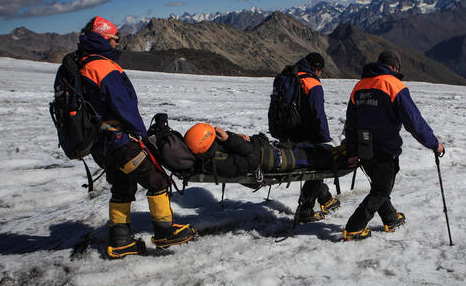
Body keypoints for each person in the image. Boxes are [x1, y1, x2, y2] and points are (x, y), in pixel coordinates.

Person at [76, 16, 195, 258]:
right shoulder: (103, 66)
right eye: (114, 39)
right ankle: (165, 232)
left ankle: (120, 242)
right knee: (157, 180)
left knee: (122, 187)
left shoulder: (81, 63)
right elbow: (124, 107)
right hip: (121, 141)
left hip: (102, 144)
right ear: (103, 38)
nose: (117, 44)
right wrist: (142, 137)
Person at [342, 50, 444, 241]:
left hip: (365, 147)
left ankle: (391, 219)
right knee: (381, 190)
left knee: (380, 185)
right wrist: (434, 144)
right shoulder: (393, 85)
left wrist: (353, 151)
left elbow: (351, 123)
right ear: (394, 66)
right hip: (385, 147)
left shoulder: (359, 86)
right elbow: (414, 121)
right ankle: (354, 227)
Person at [282, 53, 340, 223]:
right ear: (316, 68)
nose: (321, 74)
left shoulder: (289, 77)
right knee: (318, 166)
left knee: (313, 167)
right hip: (305, 135)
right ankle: (305, 210)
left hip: (287, 133)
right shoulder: (312, 83)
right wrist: (325, 139)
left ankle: (325, 198)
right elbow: (318, 114)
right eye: (321, 70)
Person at [183, 123, 343, 177]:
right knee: (314, 157)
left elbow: (243, 151)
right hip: (273, 160)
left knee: (307, 147)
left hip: (268, 150)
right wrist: (233, 140)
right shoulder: (220, 161)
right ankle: (342, 156)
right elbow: (251, 162)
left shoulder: (213, 150)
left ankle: (334, 148)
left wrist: (233, 138)